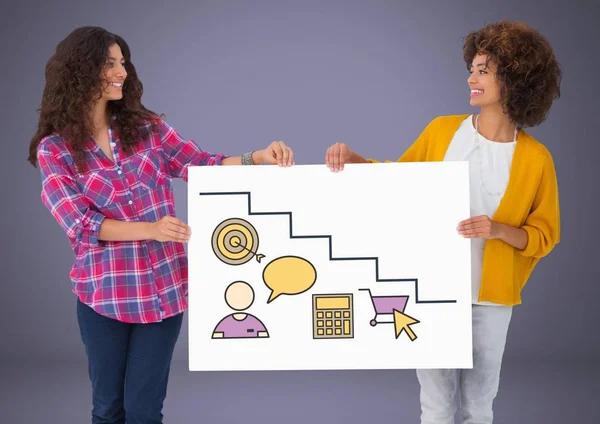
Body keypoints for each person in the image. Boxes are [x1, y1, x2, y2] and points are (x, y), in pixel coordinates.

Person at [28, 26, 294, 424]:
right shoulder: (56, 149)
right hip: (104, 296)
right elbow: (81, 223)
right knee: (107, 410)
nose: (121, 71)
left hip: (162, 293)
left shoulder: (147, 129)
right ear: (80, 71)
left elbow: (200, 164)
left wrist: (259, 157)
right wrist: (151, 229)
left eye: (122, 62)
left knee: (145, 412)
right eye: (109, 64)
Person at [324, 20, 561, 423]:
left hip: (491, 299)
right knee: (434, 405)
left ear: (515, 79)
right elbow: (399, 181)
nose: (471, 77)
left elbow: (544, 236)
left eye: (483, 71)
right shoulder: (442, 131)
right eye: (472, 68)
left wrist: (497, 229)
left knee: (479, 407)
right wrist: (356, 160)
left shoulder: (536, 160)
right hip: (430, 289)